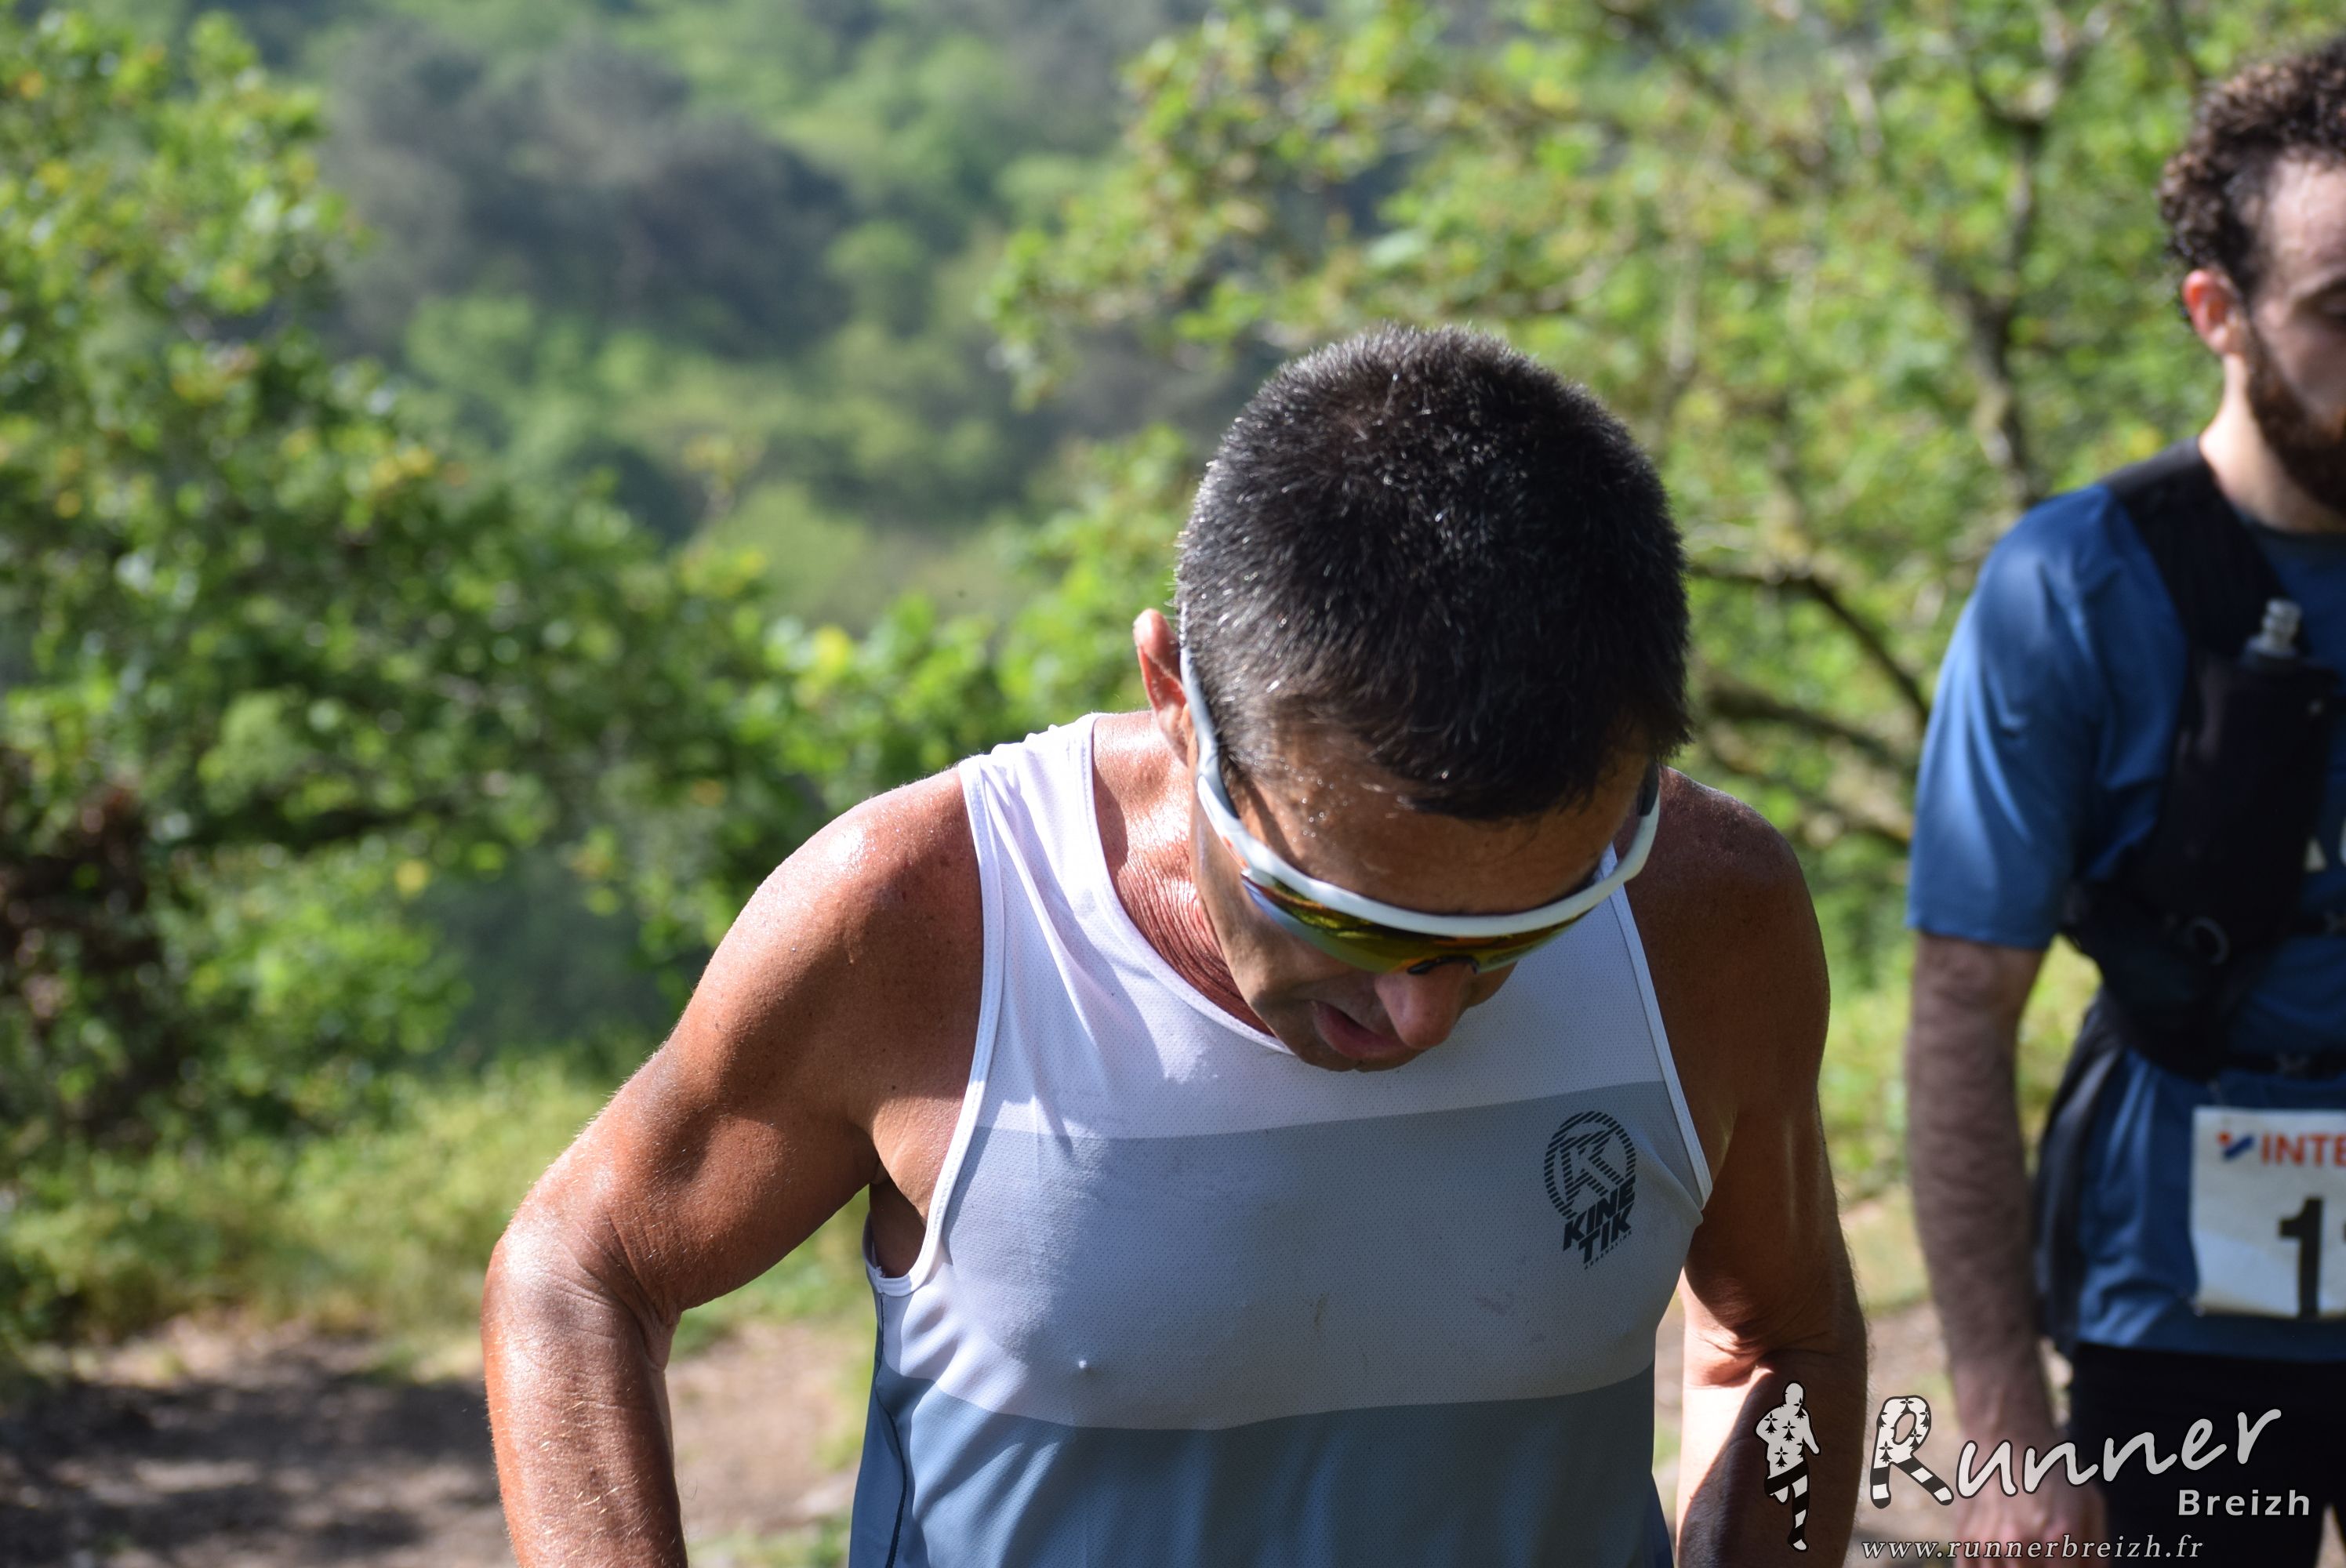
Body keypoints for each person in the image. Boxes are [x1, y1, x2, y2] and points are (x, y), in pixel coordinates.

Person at [482, 325, 1864, 1566]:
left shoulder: (1704, 913)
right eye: (1343, 915)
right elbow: (582, 1269)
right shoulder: (929, 920)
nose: (1425, 1015)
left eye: (1530, 923)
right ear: (1176, 697)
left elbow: (1786, 1340)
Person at [1906, 36, 2346, 1562]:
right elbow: (1962, 1006)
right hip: (2171, 1311)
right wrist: (1999, 1424)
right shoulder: (2070, 587)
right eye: (2340, 311)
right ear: (2216, 313)